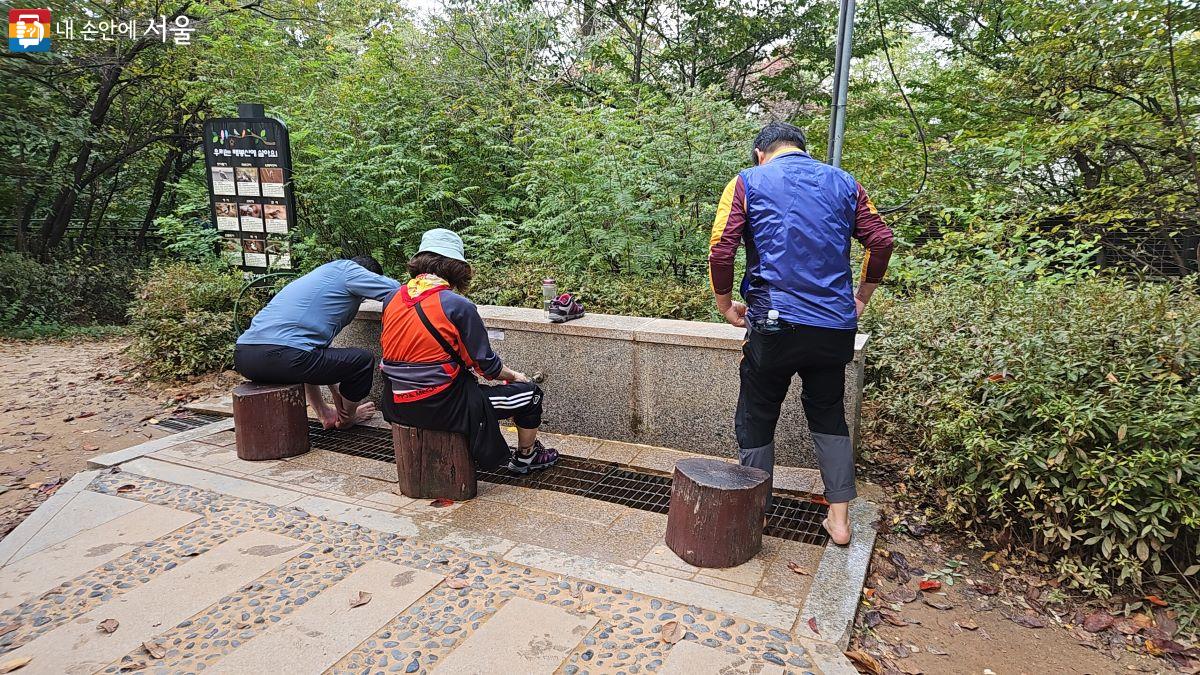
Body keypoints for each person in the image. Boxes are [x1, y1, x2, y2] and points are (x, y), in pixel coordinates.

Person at [708, 122, 895, 545]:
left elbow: (722, 247)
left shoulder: (747, 181)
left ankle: (756, 515)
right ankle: (841, 521)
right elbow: (881, 241)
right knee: (829, 413)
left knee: (757, 414)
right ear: (802, 150)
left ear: (761, 153)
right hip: (833, 328)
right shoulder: (845, 182)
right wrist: (860, 296)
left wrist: (724, 304)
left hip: (774, 326)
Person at [378, 228, 559, 474]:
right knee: (530, 395)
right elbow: (486, 365)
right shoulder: (457, 306)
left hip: (395, 403)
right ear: (456, 268)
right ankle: (527, 457)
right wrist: (516, 376)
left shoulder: (392, 298)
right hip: (443, 407)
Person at [234, 255, 398, 429]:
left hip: (245, 358)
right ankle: (348, 419)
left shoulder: (319, 277)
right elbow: (398, 291)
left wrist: (336, 395)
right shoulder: (349, 270)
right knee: (362, 361)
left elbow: (316, 354)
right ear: (367, 275)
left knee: (307, 357)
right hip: (284, 356)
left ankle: (326, 415)